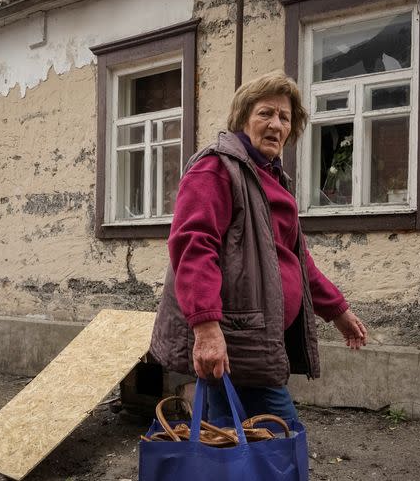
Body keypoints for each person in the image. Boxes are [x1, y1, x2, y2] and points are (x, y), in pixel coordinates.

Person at [149, 70, 367, 422]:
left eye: (284, 117)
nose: (276, 125)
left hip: (256, 341)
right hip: (236, 341)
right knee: (278, 440)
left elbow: (297, 260)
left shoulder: (271, 178)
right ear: (242, 119)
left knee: (234, 444)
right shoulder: (217, 168)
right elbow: (193, 247)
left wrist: (337, 311)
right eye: (265, 113)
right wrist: (206, 329)